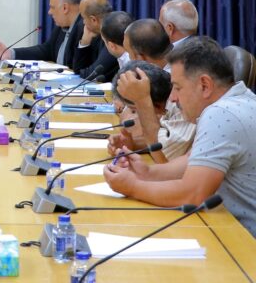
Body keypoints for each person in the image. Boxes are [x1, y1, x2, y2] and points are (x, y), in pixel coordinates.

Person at [104, 37, 256, 237]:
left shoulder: (221, 113)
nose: (173, 98)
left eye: (177, 87)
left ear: (204, 85)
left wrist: (133, 187)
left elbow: (192, 194)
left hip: (245, 243)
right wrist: (147, 173)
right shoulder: (241, 100)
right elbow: (191, 161)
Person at [114, 19, 196, 162]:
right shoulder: (168, 70)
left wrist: (141, 101)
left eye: (128, 53)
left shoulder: (179, 83)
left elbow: (163, 155)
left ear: (140, 58)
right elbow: (164, 137)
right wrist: (134, 144)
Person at [0, 0, 83, 69]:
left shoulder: (85, 29)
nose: (49, 12)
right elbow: (45, 50)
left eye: (52, 7)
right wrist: (10, 53)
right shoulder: (61, 26)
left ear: (65, 8)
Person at [108, 61, 182, 163]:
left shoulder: (179, 105)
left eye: (134, 110)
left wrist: (142, 102)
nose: (134, 115)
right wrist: (134, 145)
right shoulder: (167, 103)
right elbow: (166, 142)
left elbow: (164, 158)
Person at [72, 0, 118, 80]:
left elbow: (89, 75)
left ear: (93, 20)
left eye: (84, 18)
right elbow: (78, 71)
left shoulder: (114, 35)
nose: (83, 22)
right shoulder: (95, 34)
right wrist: (84, 43)